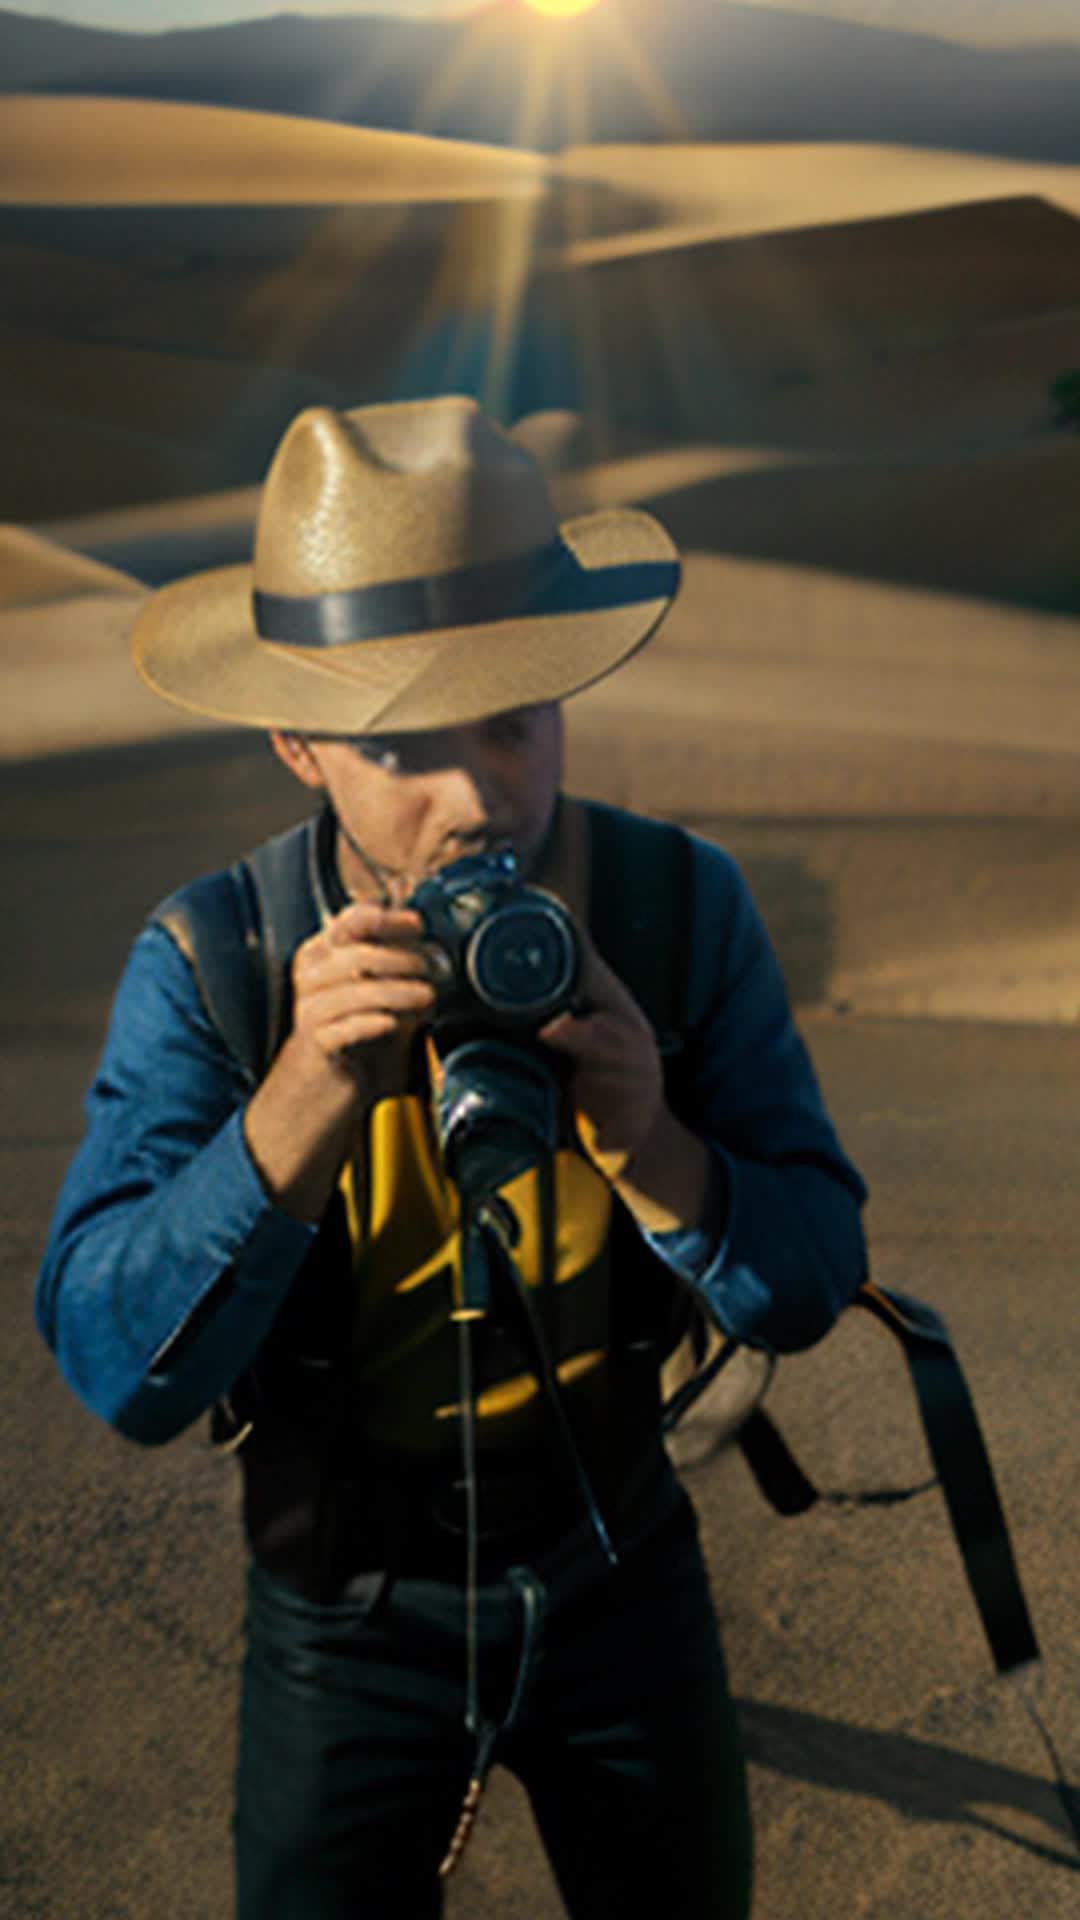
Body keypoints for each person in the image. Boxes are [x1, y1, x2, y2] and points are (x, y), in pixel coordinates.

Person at [35, 395, 868, 1919]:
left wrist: (655, 1143)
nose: (477, 793)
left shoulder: (680, 913)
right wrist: (292, 1106)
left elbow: (813, 1276)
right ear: (296, 741)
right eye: (400, 743)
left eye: (513, 720)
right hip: (343, 1609)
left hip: (618, 1555)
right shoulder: (216, 957)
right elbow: (110, 1358)